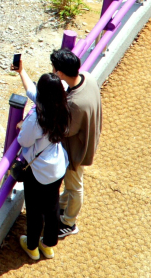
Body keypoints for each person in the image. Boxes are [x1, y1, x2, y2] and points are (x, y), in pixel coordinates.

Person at [14, 66, 70, 261]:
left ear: (43, 94)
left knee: (35, 211)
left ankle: (32, 247)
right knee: (52, 207)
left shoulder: (37, 118)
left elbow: (24, 141)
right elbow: (33, 91)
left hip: (39, 172)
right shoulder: (63, 108)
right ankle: (48, 246)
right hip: (58, 166)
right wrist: (21, 71)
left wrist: (22, 125)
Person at [50, 47, 102, 239]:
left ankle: (69, 222)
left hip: (76, 150)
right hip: (88, 138)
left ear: (61, 73)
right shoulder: (87, 77)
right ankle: (63, 207)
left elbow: (64, 130)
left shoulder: (75, 103)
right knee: (71, 185)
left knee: (74, 185)